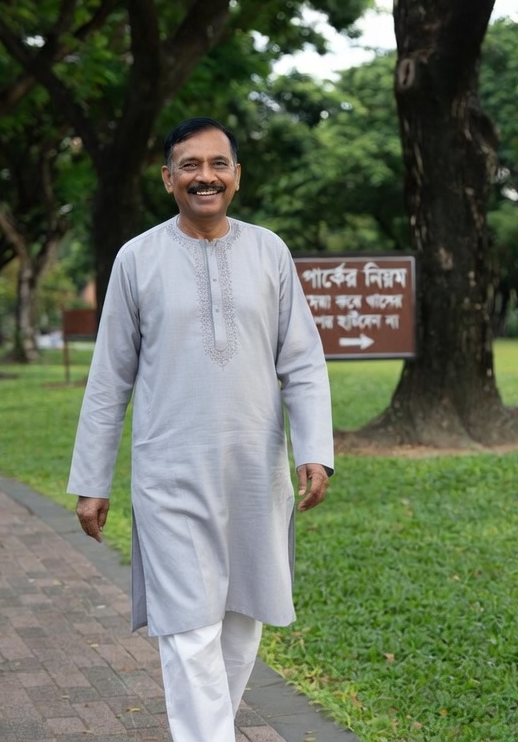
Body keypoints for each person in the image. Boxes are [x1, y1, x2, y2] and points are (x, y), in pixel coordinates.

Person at [68, 117, 333, 742]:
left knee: (241, 622)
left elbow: (302, 360)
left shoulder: (269, 251)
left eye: (218, 164)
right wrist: (92, 480)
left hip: (254, 472)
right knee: (189, 629)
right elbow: (109, 378)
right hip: (170, 474)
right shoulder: (137, 258)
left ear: (236, 176)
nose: (204, 176)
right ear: (168, 179)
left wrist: (314, 449)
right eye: (190, 165)